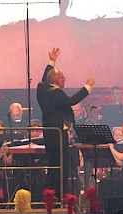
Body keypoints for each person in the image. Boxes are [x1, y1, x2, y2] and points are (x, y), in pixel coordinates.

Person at [36, 47, 94, 199]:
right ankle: (57, 196)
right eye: (62, 77)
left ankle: (51, 195)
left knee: (54, 165)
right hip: (57, 134)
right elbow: (71, 101)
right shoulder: (56, 93)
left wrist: (51, 62)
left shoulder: (42, 89)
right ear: (56, 80)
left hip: (50, 133)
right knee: (61, 167)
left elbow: (45, 78)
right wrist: (87, 86)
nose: (64, 79)